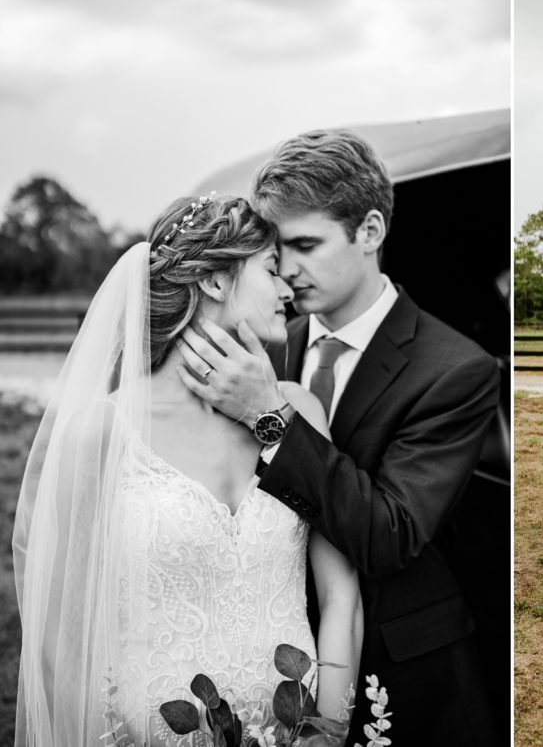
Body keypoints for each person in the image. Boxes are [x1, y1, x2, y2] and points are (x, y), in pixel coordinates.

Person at [176, 130, 502, 744]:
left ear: (370, 231)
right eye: (276, 251)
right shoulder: (267, 342)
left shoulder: (457, 369)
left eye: (306, 244)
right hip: (262, 665)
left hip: (405, 672)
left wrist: (268, 415)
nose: (288, 271)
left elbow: (389, 534)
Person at [13, 195, 362, 746]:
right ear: (217, 283)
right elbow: (61, 638)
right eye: (271, 270)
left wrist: (330, 733)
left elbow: (341, 593)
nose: (287, 291)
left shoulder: (299, 413)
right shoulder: (103, 433)